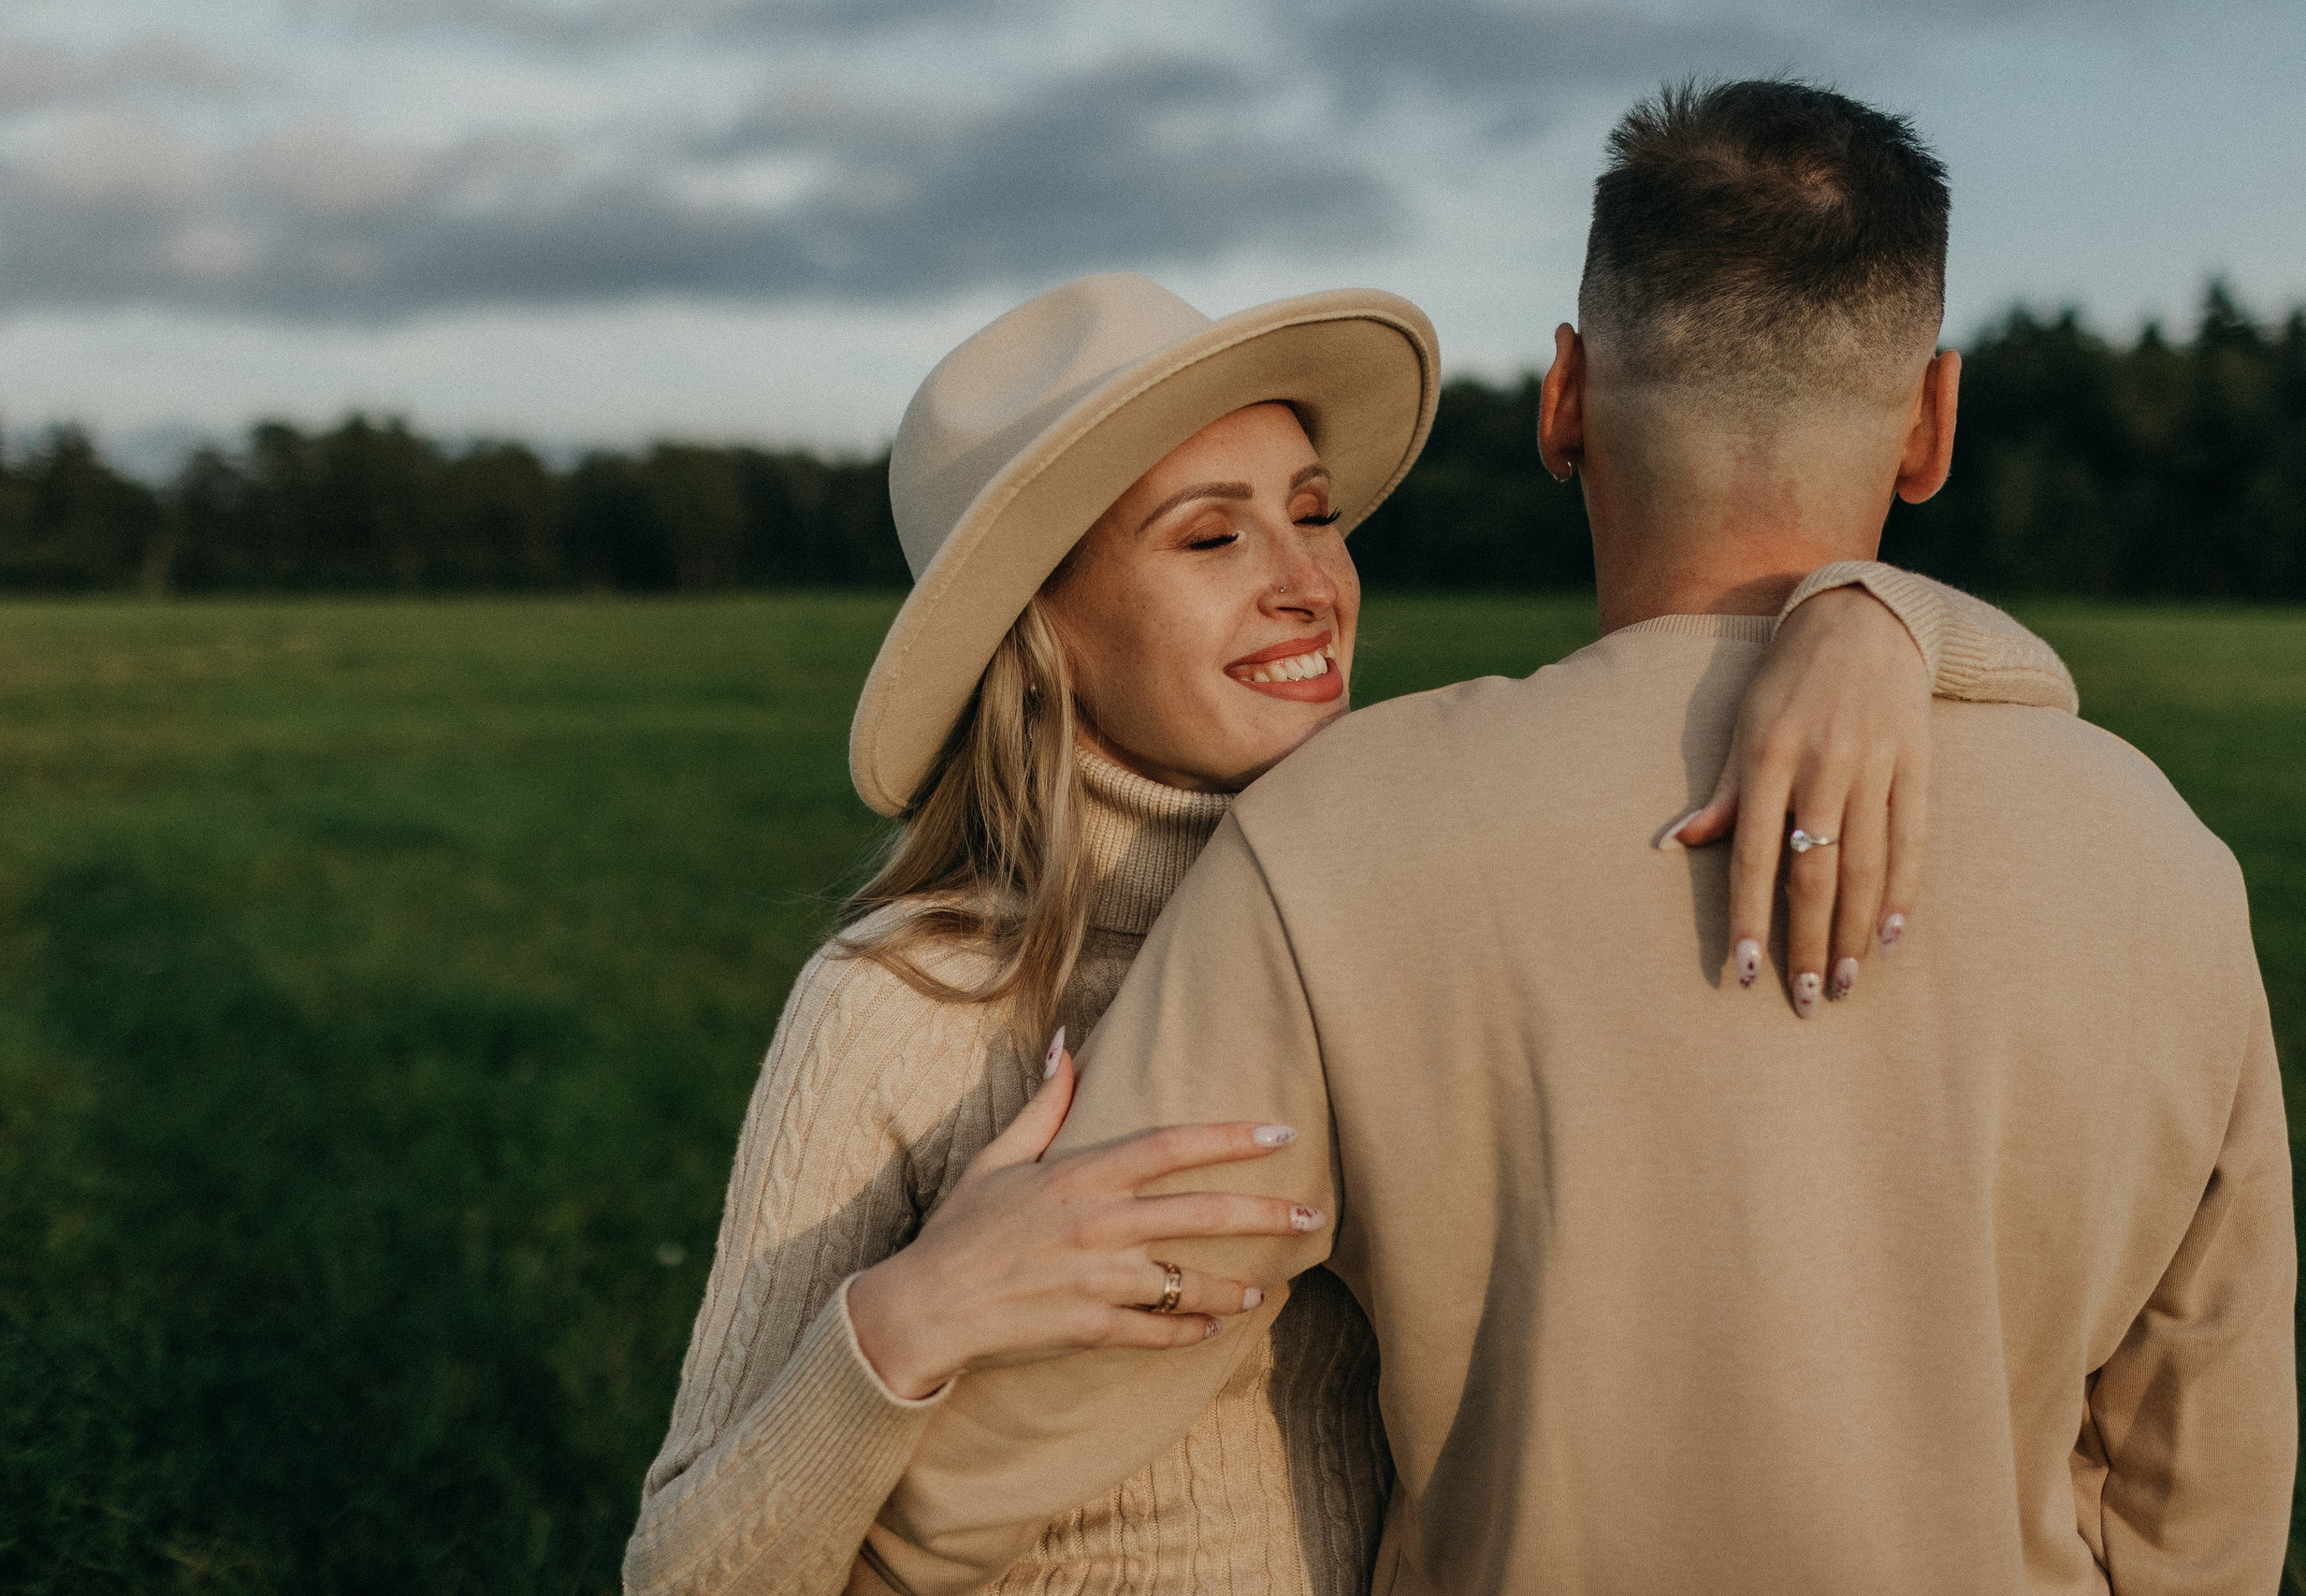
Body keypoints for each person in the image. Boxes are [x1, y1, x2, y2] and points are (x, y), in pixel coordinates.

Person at [860, 82, 2299, 1596]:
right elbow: (2198, 1504)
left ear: (1562, 397)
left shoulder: (1340, 836)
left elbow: (997, 1458)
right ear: (1933, 425)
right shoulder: (2171, 868)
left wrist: (851, 1428)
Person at [622, 267, 2078, 1596]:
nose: (1308, 581)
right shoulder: (905, 1001)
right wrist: (907, 1317)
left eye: (1313, 513)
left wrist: (1871, 620)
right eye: (1212, 535)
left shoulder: (1404, 894)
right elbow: (686, 1575)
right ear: (1041, 628)